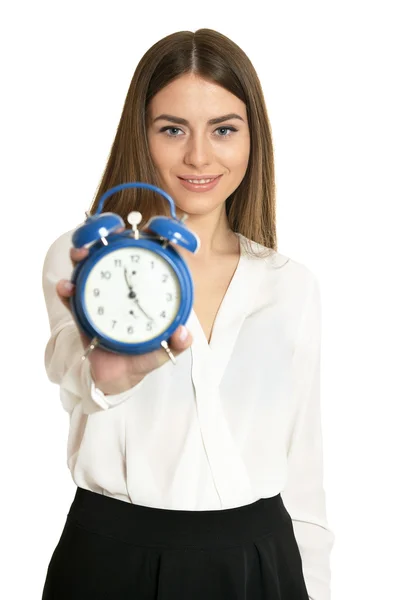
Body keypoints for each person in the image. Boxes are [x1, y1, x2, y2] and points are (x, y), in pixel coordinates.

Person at [41, 28, 335, 600]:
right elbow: (67, 367)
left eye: (223, 129)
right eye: (172, 129)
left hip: (259, 565)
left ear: (253, 140)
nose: (199, 155)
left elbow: (304, 472)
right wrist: (108, 376)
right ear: (140, 134)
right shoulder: (86, 259)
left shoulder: (289, 285)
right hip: (110, 562)